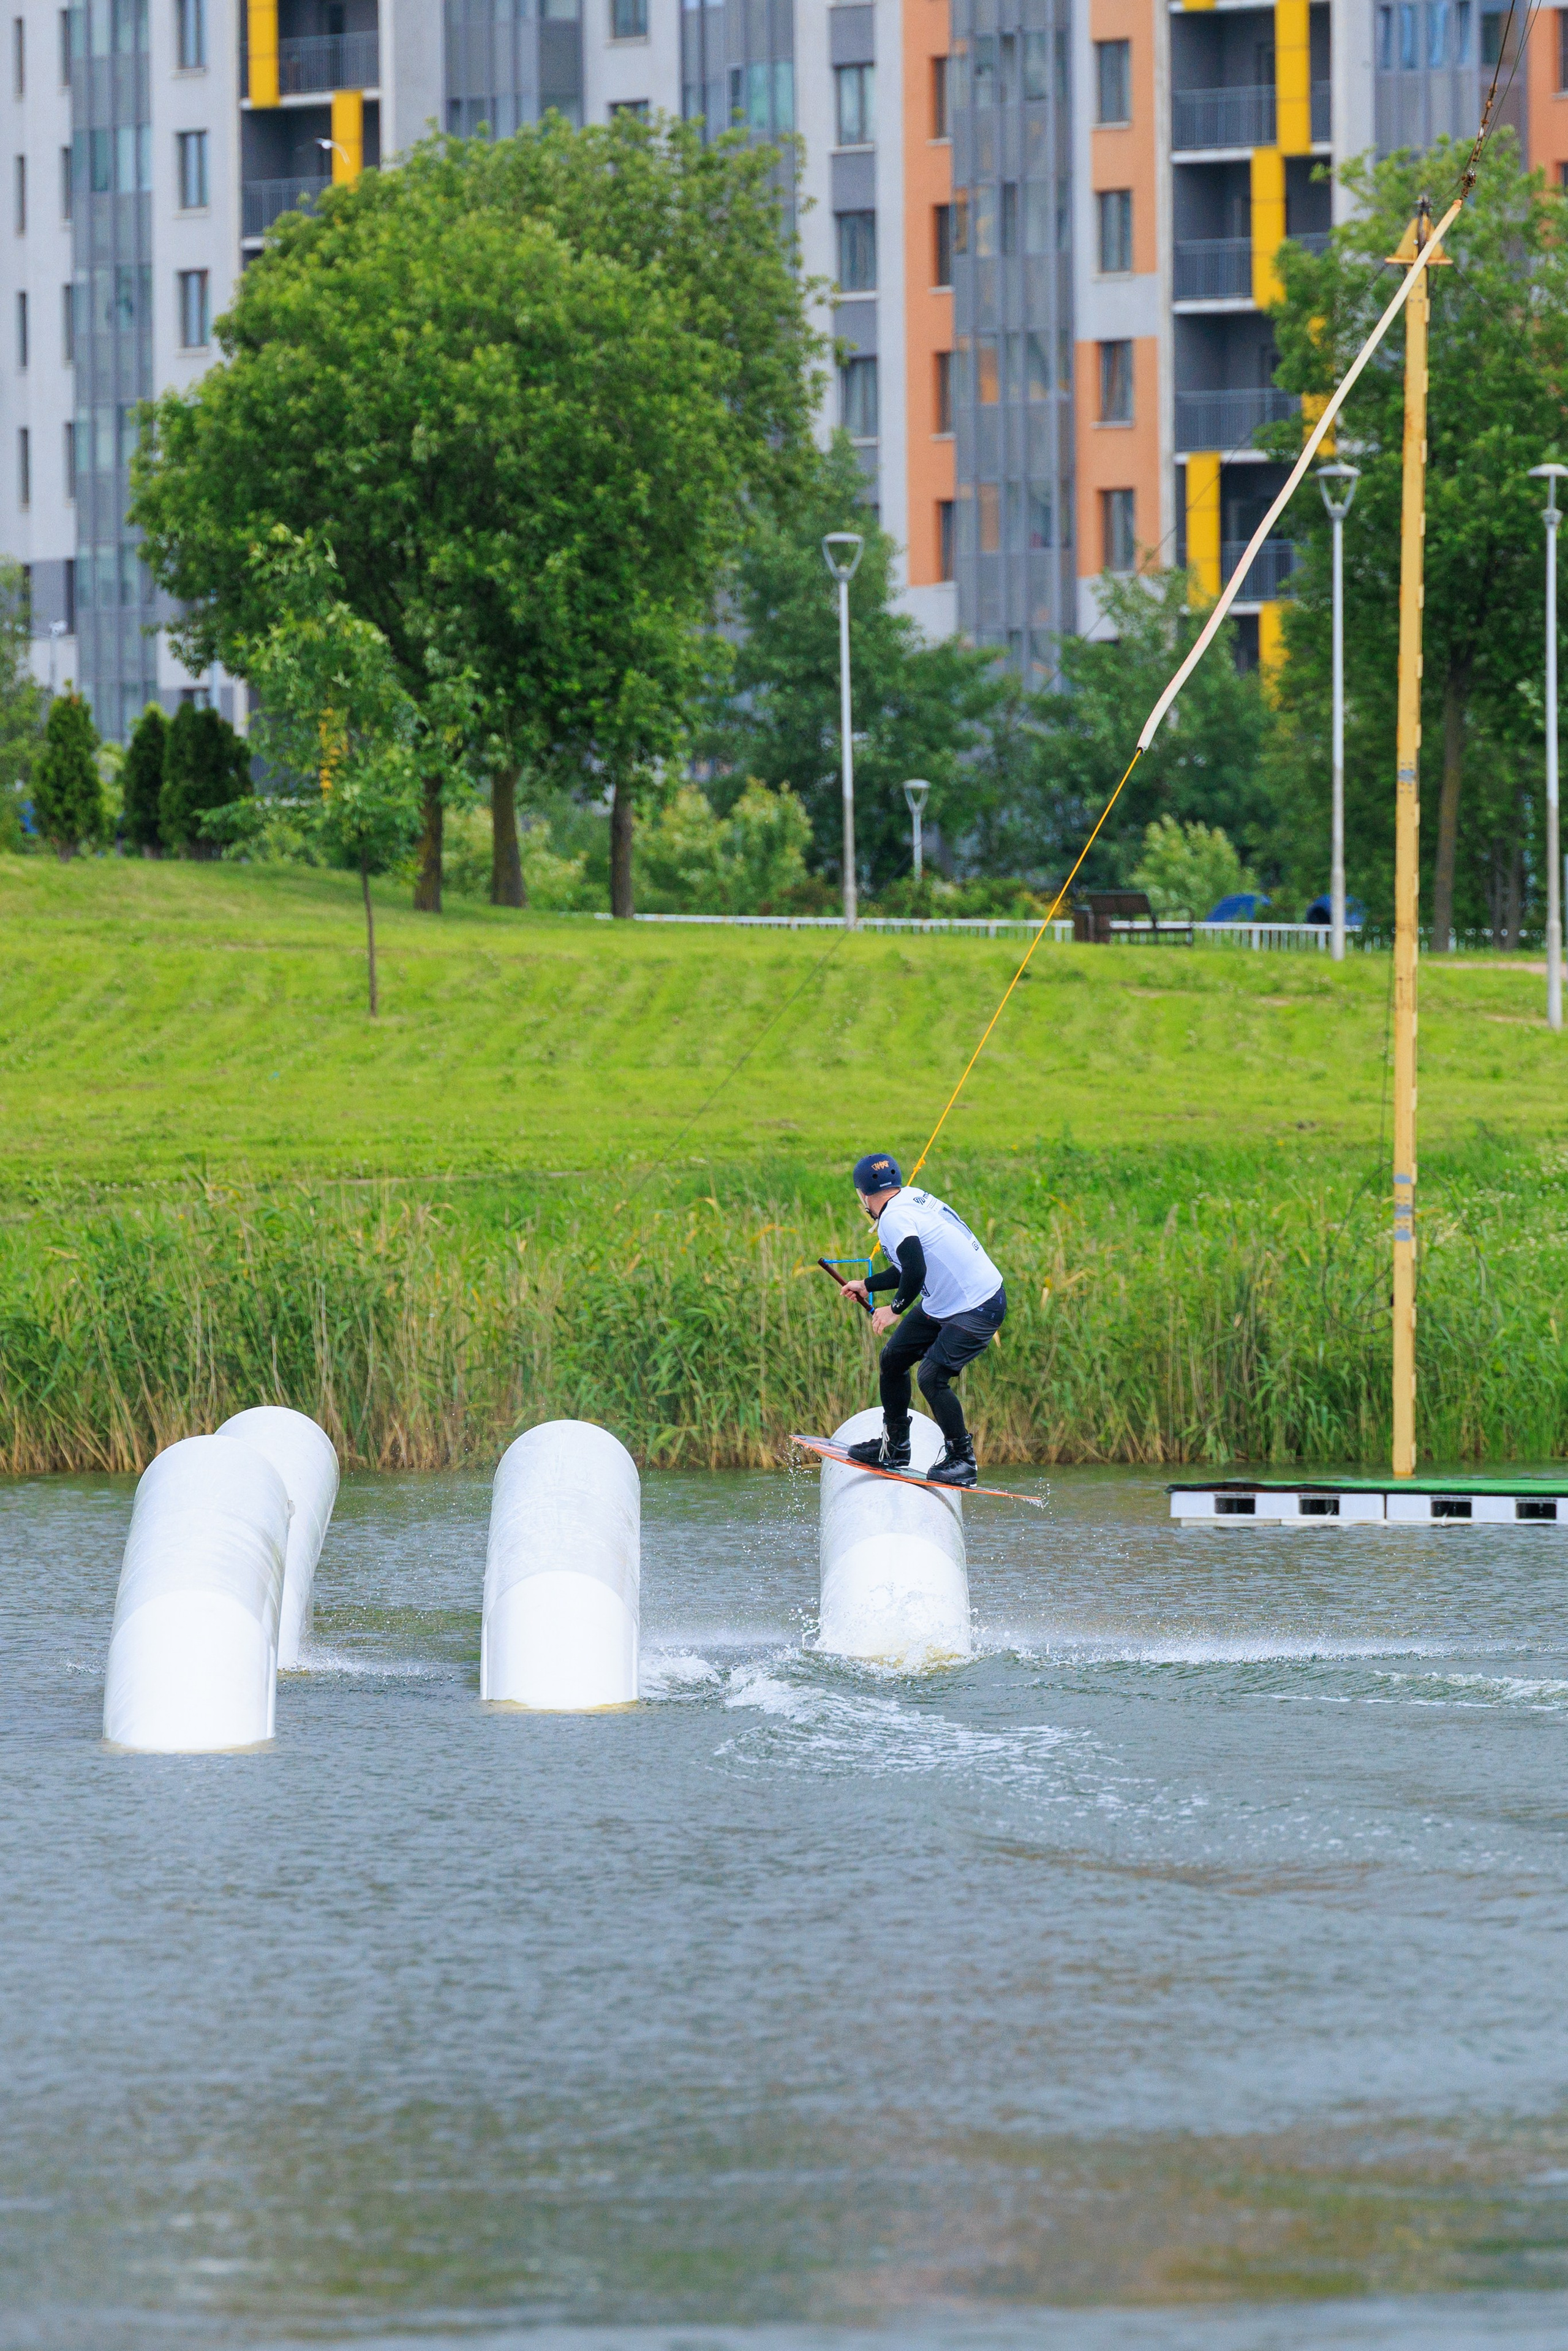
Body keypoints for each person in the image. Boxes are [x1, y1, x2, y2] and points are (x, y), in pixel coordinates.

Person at [838, 1152, 1006, 1489]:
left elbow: (916, 1271)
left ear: (862, 1195)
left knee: (932, 1376)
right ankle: (895, 1446)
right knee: (894, 1359)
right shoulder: (910, 1198)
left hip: (978, 1304)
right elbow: (907, 1266)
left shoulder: (893, 1220)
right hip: (945, 1301)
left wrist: (894, 1309)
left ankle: (963, 1461)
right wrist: (866, 1285)